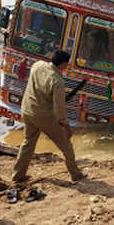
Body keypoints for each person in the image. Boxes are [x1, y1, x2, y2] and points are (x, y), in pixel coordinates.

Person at [12, 50, 85, 182]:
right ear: (63, 64)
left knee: (28, 142)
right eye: (67, 64)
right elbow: (60, 110)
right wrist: (67, 127)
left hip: (27, 109)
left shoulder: (37, 65)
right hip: (43, 115)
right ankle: (75, 174)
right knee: (66, 145)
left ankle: (18, 175)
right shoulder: (57, 81)